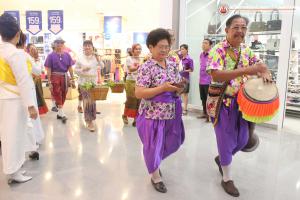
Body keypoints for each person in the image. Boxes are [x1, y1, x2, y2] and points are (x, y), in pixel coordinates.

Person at [207, 14, 271, 197]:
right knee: (226, 140)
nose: (240, 31)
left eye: (243, 28)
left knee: (243, 140)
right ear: (226, 30)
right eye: (236, 27)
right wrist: (248, 71)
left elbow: (258, 64)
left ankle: (221, 159)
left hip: (242, 104)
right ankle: (227, 178)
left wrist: (264, 70)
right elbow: (216, 75)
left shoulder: (246, 50)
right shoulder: (218, 50)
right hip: (222, 103)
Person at [135, 28, 185, 193]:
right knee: (152, 146)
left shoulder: (172, 65)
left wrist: (179, 88)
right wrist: (162, 88)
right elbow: (139, 92)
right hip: (152, 115)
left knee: (173, 142)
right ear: (151, 47)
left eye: (167, 46)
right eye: (160, 46)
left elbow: (177, 85)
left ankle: (155, 161)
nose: (164, 50)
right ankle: (155, 175)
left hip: (171, 113)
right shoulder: (146, 67)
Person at [0, 13, 38, 183]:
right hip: (15, 100)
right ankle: (14, 171)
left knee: (6, 135)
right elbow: (23, 81)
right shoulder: (15, 54)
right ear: (17, 35)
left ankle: (12, 168)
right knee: (15, 136)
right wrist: (30, 105)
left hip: (3, 97)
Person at [44, 37, 75, 123]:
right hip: (55, 76)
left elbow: (70, 67)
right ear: (55, 44)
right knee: (57, 93)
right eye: (57, 43)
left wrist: (72, 78)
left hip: (65, 77)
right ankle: (62, 112)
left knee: (64, 93)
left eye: (61, 43)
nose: (59, 45)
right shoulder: (50, 56)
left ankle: (59, 113)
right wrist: (49, 81)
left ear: (63, 44)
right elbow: (49, 69)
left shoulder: (67, 55)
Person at [75, 40, 102, 132]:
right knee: (86, 101)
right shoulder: (79, 58)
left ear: (92, 47)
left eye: (89, 46)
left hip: (93, 82)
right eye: (85, 46)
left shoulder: (95, 57)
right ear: (83, 47)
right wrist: (82, 70)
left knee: (92, 101)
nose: (87, 47)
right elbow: (76, 70)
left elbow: (102, 66)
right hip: (83, 82)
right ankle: (88, 121)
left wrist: (98, 59)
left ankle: (92, 117)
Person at [122, 43, 143, 127]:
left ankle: (136, 119)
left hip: (140, 82)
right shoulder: (129, 59)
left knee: (139, 100)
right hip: (130, 81)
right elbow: (131, 69)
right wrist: (140, 66)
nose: (138, 50)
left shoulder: (142, 59)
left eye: (139, 49)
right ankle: (125, 115)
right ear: (133, 50)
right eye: (136, 49)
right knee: (131, 99)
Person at [27, 43, 48, 115]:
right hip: (31, 80)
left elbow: (41, 69)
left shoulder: (38, 59)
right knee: (33, 95)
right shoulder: (28, 59)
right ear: (28, 51)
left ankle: (39, 110)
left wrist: (42, 70)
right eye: (32, 49)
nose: (34, 51)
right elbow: (36, 70)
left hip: (37, 80)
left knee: (39, 94)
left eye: (35, 49)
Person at [198, 39, 212, 121]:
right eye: (203, 43)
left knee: (209, 99)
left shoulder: (212, 54)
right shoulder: (201, 55)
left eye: (206, 43)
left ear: (210, 45)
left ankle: (209, 115)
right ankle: (204, 113)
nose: (203, 44)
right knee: (203, 98)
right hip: (201, 80)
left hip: (208, 80)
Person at [179, 44, 194, 115]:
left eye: (183, 49)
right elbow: (174, 53)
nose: (181, 50)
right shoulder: (180, 58)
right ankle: (180, 108)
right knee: (179, 93)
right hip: (179, 78)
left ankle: (185, 109)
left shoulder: (189, 59)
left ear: (187, 50)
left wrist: (184, 70)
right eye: (181, 49)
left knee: (185, 94)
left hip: (185, 78)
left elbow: (191, 69)